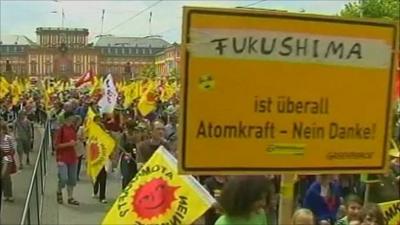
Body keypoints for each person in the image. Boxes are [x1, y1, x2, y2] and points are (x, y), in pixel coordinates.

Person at [55, 112, 79, 205]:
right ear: (68, 118)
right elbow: (57, 145)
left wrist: (76, 142)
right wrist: (69, 144)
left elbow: (74, 141)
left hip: (72, 156)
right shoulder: (61, 129)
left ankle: (70, 197)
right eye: (72, 117)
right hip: (62, 157)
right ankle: (59, 190)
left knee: (72, 179)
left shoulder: (73, 128)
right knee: (64, 178)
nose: (73, 118)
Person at [119, 121, 140, 189]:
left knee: (134, 174)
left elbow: (138, 144)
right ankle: (124, 189)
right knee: (126, 175)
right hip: (126, 156)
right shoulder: (124, 135)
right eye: (132, 129)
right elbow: (121, 146)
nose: (133, 131)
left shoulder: (137, 134)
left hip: (135, 156)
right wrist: (126, 153)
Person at [0, 121, 17, 203]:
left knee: (5, 176)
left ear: (3, 130)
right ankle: (5, 194)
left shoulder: (8, 138)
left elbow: (13, 149)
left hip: (7, 159)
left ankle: (9, 194)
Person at [73, 116, 85, 181]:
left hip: (79, 146)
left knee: (79, 162)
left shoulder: (81, 128)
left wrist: (81, 138)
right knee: (73, 162)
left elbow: (84, 138)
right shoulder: (71, 128)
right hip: (72, 146)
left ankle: (77, 175)